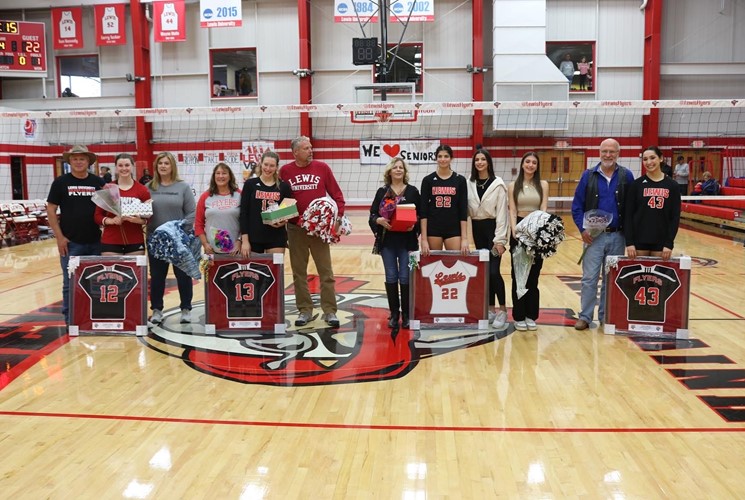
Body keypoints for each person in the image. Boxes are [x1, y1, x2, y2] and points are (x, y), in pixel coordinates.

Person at [279, 136, 346, 328]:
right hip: (295, 228)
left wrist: (337, 217)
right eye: (306, 148)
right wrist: (287, 218)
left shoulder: (322, 168)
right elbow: (283, 200)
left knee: (326, 271)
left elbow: (337, 195)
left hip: (319, 230)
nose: (311, 151)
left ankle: (330, 311)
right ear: (295, 153)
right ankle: (304, 310)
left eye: (310, 147)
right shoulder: (285, 171)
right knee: (299, 273)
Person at [571, 138, 635, 330]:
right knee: (590, 278)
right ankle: (585, 316)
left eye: (612, 152)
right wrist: (582, 230)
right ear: (599, 153)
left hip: (617, 236)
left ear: (618, 153)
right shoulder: (588, 175)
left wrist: (630, 236)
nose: (608, 155)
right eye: (604, 151)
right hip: (593, 237)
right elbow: (577, 206)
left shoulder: (627, 175)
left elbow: (632, 208)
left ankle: (606, 316)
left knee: (611, 279)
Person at [46, 145, 105, 326]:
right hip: (71, 243)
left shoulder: (98, 182)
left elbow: (110, 208)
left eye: (82, 159)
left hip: (96, 242)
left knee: (96, 282)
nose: (78, 162)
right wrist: (59, 237)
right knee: (69, 284)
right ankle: (70, 320)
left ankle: (93, 317)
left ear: (88, 161)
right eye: (75, 159)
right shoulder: (60, 182)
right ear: (69, 161)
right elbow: (51, 208)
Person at [369, 156, 421, 329]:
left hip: (408, 243)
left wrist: (413, 226)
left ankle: (406, 314)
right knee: (391, 276)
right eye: (395, 167)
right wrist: (379, 221)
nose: (398, 170)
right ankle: (394, 313)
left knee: (406, 277)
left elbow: (421, 216)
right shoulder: (382, 191)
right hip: (388, 243)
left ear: (405, 172)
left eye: (401, 167)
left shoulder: (413, 191)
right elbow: (372, 215)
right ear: (389, 171)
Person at [146, 152, 196, 325]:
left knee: (183, 275)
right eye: (160, 163)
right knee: (158, 276)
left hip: (178, 239)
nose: (163, 166)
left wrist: (179, 230)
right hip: (156, 239)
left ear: (172, 166)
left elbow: (192, 213)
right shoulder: (148, 187)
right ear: (156, 166)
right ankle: (157, 310)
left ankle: (185, 309)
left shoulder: (183, 187)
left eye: (167, 163)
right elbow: (143, 213)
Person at [466, 147, 509, 329]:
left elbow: (502, 213)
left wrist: (500, 239)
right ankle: (490, 309)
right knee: (485, 272)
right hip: (477, 230)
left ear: (489, 162)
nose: (480, 162)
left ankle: (503, 310)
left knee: (494, 271)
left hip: (493, 230)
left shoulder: (498, 184)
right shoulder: (469, 183)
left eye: (483, 159)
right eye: (477, 160)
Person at [508, 152, 549, 331]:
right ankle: (518, 316)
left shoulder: (543, 184)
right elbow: (512, 209)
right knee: (518, 276)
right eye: (527, 162)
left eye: (534, 162)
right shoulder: (512, 185)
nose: (531, 165)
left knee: (533, 276)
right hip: (519, 231)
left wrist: (539, 232)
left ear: (537, 166)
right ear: (522, 164)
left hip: (536, 232)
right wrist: (514, 230)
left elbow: (544, 208)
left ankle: (531, 315)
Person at [624, 146, 681, 261]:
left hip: (661, 241)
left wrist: (669, 243)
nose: (649, 162)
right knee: (638, 278)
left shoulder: (672, 186)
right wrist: (629, 242)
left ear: (661, 158)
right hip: (639, 241)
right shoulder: (636, 185)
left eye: (652, 158)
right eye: (645, 159)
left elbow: (675, 217)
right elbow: (628, 215)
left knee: (657, 278)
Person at [94, 153, 151, 256]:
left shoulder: (142, 190)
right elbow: (97, 216)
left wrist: (140, 221)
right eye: (120, 165)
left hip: (135, 241)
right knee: (112, 272)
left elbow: (150, 217)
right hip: (111, 241)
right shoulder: (108, 188)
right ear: (116, 167)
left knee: (134, 273)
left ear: (132, 166)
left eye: (127, 165)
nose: (124, 168)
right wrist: (111, 220)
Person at [240, 150, 293, 256]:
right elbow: (243, 214)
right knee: (255, 271)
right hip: (254, 237)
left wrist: (283, 221)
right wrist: (245, 241)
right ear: (261, 164)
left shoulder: (284, 187)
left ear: (277, 167)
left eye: (272, 166)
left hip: (276, 237)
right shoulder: (250, 184)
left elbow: (287, 212)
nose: (268, 169)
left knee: (275, 271)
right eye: (266, 165)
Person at [420, 144, 469, 256]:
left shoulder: (460, 180)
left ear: (451, 158)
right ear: (436, 158)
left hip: (453, 229)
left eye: (446, 156)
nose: (443, 159)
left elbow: (463, 210)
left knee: (454, 263)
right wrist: (423, 239)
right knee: (433, 264)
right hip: (433, 229)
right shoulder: (428, 180)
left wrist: (465, 238)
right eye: (440, 156)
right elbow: (423, 211)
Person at [195, 163, 242, 255]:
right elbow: (198, 224)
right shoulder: (205, 196)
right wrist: (205, 244)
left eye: (224, 173)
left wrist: (240, 241)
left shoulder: (240, 194)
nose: (221, 176)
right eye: (218, 173)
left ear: (230, 176)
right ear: (214, 176)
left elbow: (247, 221)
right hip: (212, 251)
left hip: (235, 250)